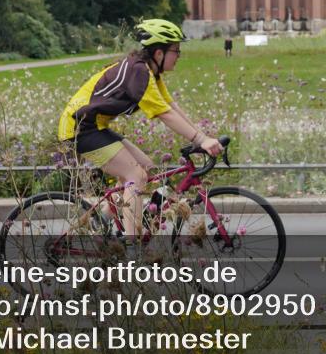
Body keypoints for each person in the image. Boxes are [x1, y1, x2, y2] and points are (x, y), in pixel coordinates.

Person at [57, 19, 223, 237]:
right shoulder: (139, 73)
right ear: (159, 53)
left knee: (147, 168)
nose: (179, 56)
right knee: (135, 174)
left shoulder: (150, 72)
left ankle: (103, 222)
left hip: (94, 126)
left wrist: (201, 138)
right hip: (80, 128)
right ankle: (131, 247)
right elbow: (165, 115)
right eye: (176, 50)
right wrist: (201, 140)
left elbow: (171, 106)